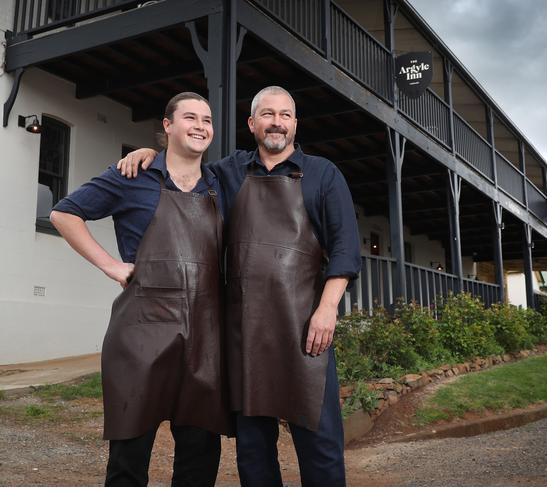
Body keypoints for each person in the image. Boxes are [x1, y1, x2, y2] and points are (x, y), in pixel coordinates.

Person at [118, 86, 361, 487]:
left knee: (320, 448)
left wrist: (328, 308)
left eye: (285, 115)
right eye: (268, 114)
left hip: (306, 328)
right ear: (252, 123)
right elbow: (184, 169)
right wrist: (149, 155)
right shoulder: (227, 173)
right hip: (244, 333)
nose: (277, 122)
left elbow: (346, 248)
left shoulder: (323, 174)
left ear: (295, 123)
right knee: (253, 452)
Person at [51, 92, 232, 487]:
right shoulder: (131, 175)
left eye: (207, 119)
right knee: (128, 463)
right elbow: (64, 214)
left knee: (200, 462)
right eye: (190, 117)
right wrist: (111, 266)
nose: (201, 126)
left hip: (203, 340)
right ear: (168, 125)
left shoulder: (223, 181)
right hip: (140, 334)